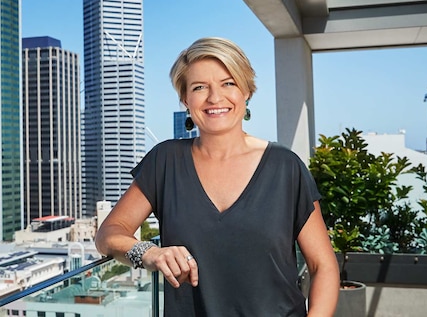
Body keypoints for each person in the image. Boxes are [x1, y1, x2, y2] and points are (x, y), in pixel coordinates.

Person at [95, 37, 339, 316]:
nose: (214, 98)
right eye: (200, 87)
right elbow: (108, 235)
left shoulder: (285, 167)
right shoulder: (164, 161)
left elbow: (323, 266)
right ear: (185, 99)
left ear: (247, 91)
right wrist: (150, 252)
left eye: (228, 83)